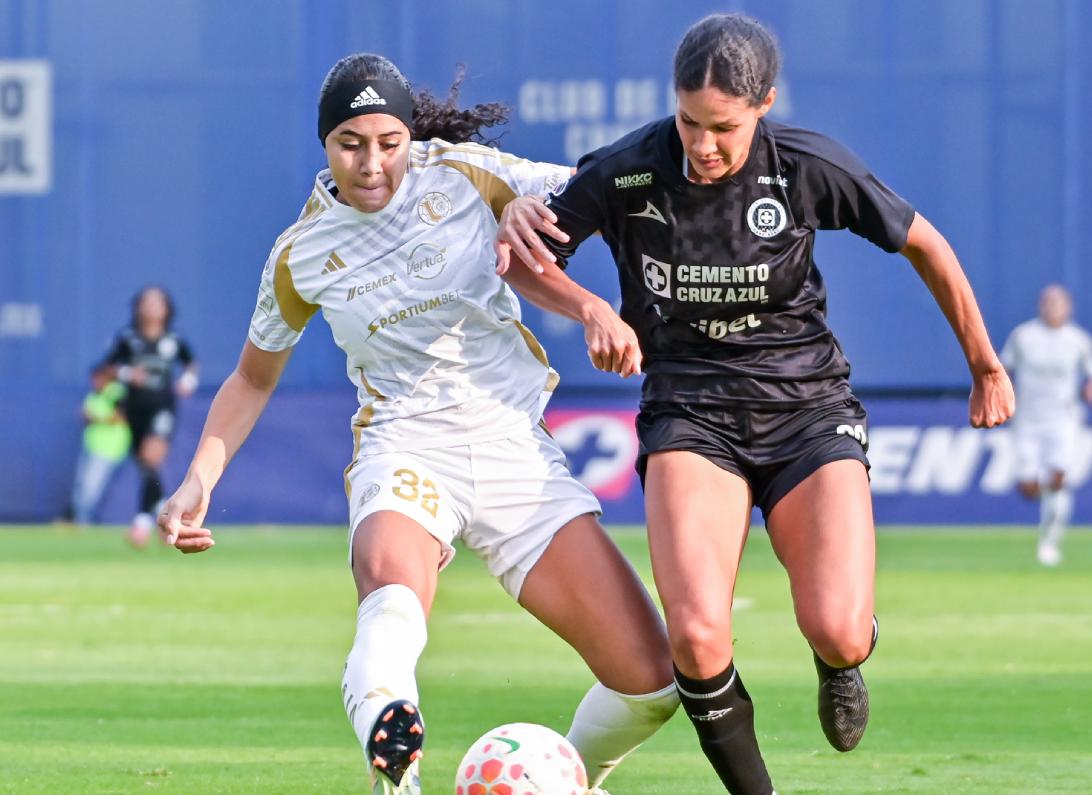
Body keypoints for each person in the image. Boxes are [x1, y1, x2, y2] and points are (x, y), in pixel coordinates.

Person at [494, 14, 1015, 795]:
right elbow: (523, 261)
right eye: (690, 122)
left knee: (837, 627)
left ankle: (841, 660)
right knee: (698, 641)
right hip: (690, 414)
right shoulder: (630, 169)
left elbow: (925, 244)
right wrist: (589, 308)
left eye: (725, 129)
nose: (704, 146)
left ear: (764, 103)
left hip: (806, 411)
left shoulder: (805, 167)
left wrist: (985, 365)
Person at [156, 54, 677, 795]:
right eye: (350, 143)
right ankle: (393, 766)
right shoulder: (300, 255)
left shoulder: (465, 172)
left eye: (389, 142)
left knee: (652, 682)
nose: (372, 164)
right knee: (393, 598)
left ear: (409, 135)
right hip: (404, 446)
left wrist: (562, 244)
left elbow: (597, 185)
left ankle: (554, 780)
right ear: (324, 143)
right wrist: (198, 479)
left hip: (511, 446)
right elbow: (249, 378)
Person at [1000, 284, 1092, 566]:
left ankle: (1050, 542)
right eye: (1047, 302)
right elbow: (1003, 368)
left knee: (1058, 478)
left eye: (1058, 303)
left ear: (1068, 307)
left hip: (1063, 419)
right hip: (1027, 420)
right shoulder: (1024, 336)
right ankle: (1044, 496)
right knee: (1029, 487)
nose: (1052, 308)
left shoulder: (1078, 340)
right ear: (1040, 306)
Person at [103, 285, 198, 546]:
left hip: (162, 408)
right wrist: (126, 374)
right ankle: (162, 514)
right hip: (134, 409)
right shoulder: (127, 338)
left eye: (158, 303)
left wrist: (188, 380)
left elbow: (191, 363)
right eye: (147, 302)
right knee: (147, 467)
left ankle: (141, 525)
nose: (152, 308)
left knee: (151, 456)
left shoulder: (173, 340)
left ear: (167, 309)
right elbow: (106, 369)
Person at [69, 363, 132, 525]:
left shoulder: (116, 393)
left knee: (91, 487)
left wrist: (94, 417)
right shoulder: (93, 396)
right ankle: (80, 520)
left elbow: (120, 418)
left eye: (98, 378)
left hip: (108, 449)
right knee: (82, 485)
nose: (95, 382)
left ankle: (83, 522)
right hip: (91, 446)